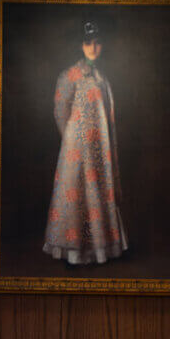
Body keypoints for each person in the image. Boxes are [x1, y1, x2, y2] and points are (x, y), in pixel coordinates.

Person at [43, 20, 129, 266]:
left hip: (100, 148)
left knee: (96, 194)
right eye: (88, 43)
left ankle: (97, 248)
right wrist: (73, 141)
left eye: (98, 43)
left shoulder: (103, 78)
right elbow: (60, 110)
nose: (93, 48)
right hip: (76, 148)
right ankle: (73, 249)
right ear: (80, 45)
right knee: (76, 194)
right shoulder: (70, 75)